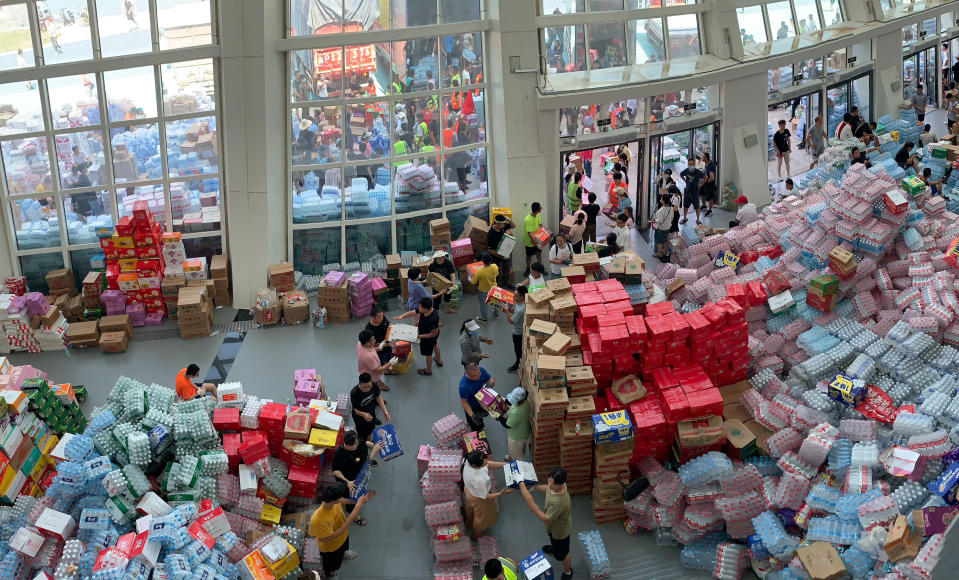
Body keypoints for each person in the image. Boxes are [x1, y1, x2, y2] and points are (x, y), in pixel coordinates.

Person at [309, 483, 374, 578]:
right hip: (331, 548)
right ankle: (332, 574)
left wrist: (356, 501)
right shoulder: (318, 519)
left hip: (343, 537)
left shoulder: (333, 502)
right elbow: (328, 538)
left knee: (343, 548)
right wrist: (358, 506)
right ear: (334, 500)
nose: (342, 498)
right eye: (340, 497)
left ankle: (344, 553)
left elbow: (342, 500)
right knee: (333, 565)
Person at [518, 468, 573, 580]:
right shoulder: (557, 486)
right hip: (553, 528)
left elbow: (545, 519)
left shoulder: (558, 502)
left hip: (560, 531)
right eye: (549, 480)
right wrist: (535, 487)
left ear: (561, 484)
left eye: (553, 483)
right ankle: (555, 549)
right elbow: (548, 489)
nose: (550, 484)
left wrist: (534, 509)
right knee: (554, 541)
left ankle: (568, 572)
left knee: (563, 553)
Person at [331, 430, 384, 526]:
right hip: (348, 481)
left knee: (360, 492)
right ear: (345, 444)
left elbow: (364, 442)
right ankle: (355, 516)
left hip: (359, 474)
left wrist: (374, 445)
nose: (355, 446)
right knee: (351, 499)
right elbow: (335, 471)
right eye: (352, 446)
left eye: (356, 443)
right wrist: (347, 482)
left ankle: (359, 501)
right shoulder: (339, 454)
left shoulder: (356, 440)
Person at [462, 450, 512, 540]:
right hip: (479, 498)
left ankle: (468, 523)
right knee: (481, 517)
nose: (486, 462)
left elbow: (488, 463)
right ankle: (475, 535)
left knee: (470, 509)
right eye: (483, 462)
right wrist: (501, 493)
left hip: (469, 490)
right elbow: (486, 496)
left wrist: (506, 465)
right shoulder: (478, 479)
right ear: (475, 465)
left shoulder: (468, 460)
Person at [350, 373, 390, 443]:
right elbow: (355, 409)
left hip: (370, 410)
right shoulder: (354, 393)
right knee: (361, 432)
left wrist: (385, 411)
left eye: (369, 386)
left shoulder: (374, 385)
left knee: (371, 427)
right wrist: (363, 414)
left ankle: (369, 439)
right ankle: (363, 441)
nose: (368, 389)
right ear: (360, 383)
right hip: (359, 416)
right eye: (365, 387)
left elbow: (378, 398)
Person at [460, 363, 496, 431]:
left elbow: (490, 378)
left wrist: (491, 382)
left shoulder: (480, 370)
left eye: (479, 373)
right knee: (476, 426)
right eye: (476, 375)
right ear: (469, 375)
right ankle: (471, 424)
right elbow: (464, 402)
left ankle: (469, 421)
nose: (480, 375)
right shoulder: (464, 386)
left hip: (483, 401)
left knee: (478, 419)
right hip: (473, 407)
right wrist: (472, 415)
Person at [485, 215, 513, 288]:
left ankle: (506, 283)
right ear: (497, 224)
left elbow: (513, 226)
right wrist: (500, 255)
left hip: (504, 254)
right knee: (496, 273)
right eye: (502, 224)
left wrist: (508, 219)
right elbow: (489, 249)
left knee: (506, 270)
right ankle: (495, 287)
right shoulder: (490, 234)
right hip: (496, 257)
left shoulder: (502, 227)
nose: (504, 225)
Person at [504, 387, 530, 461]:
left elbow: (507, 425)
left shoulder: (516, 412)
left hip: (516, 437)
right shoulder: (525, 403)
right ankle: (512, 456)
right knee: (519, 449)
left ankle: (517, 463)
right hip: (523, 431)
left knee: (518, 455)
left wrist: (499, 417)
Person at [472, 252, 499, 324]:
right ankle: (496, 314)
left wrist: (471, 276)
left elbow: (473, 282)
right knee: (495, 301)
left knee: (484, 304)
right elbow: (496, 274)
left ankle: (484, 319)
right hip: (494, 288)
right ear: (490, 260)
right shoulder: (495, 266)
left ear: (482, 261)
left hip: (483, 290)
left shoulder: (479, 271)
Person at [507, 286, 528, 374]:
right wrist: (510, 310)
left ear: (522, 297)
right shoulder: (523, 304)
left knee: (518, 349)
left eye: (516, 296)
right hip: (522, 329)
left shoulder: (520, 309)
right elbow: (515, 311)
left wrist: (506, 312)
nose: (513, 297)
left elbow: (511, 321)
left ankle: (518, 365)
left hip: (517, 333)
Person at [652, 194, 674, 260]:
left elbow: (659, 221)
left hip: (660, 228)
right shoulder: (671, 208)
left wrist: (654, 220)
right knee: (665, 239)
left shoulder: (661, 210)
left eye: (661, 199)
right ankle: (664, 251)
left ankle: (659, 253)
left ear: (664, 201)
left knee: (659, 241)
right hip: (667, 227)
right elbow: (672, 217)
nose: (660, 200)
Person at [523, 202, 544, 271]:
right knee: (529, 255)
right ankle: (528, 268)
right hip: (529, 241)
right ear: (537, 210)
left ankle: (540, 267)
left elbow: (540, 224)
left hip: (537, 238)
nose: (541, 208)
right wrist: (536, 242)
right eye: (540, 208)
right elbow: (529, 234)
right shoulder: (528, 219)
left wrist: (545, 233)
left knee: (539, 253)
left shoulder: (537, 215)